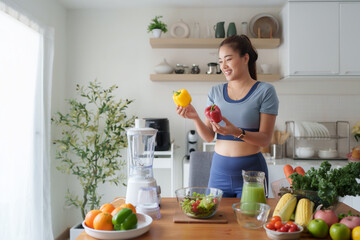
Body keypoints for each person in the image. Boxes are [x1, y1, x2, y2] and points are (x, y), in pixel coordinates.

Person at [176, 34, 279, 197]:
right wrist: (194, 117)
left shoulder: (265, 91)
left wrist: (236, 132)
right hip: (219, 173)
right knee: (216, 220)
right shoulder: (215, 92)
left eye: (228, 59)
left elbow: (265, 139)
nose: (223, 66)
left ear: (245, 58)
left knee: (249, 221)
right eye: (220, 61)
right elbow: (209, 137)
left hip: (251, 174)